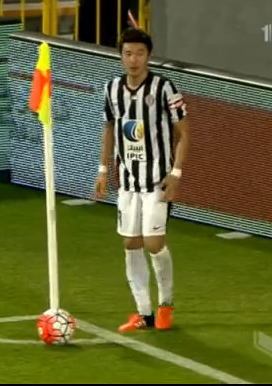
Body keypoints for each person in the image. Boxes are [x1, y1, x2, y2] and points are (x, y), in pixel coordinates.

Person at [93, 27, 189, 332]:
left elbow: (184, 134)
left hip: (157, 181)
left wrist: (176, 173)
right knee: (131, 242)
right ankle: (143, 312)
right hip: (128, 182)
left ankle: (166, 305)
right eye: (128, 53)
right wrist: (103, 170)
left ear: (149, 56)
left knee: (153, 242)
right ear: (121, 56)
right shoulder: (111, 89)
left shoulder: (164, 88)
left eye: (139, 53)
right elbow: (110, 129)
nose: (133, 59)